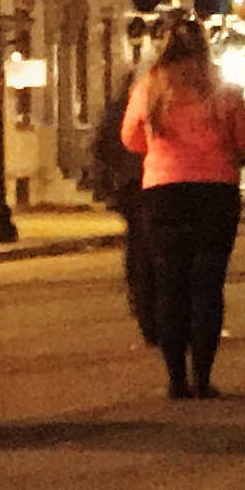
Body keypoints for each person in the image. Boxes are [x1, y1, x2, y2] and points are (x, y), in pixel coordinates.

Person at [120, 15, 245, 399]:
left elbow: (130, 138)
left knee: (170, 284)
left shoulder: (150, 87)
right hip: (215, 190)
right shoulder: (222, 88)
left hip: (163, 190)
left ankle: (176, 379)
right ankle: (203, 377)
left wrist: (161, 149)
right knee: (207, 285)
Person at [87, 22, 157, 347]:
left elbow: (104, 144)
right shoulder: (139, 103)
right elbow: (107, 144)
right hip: (149, 183)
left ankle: (148, 312)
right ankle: (159, 312)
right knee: (157, 250)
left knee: (142, 249)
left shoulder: (123, 104)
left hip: (135, 185)